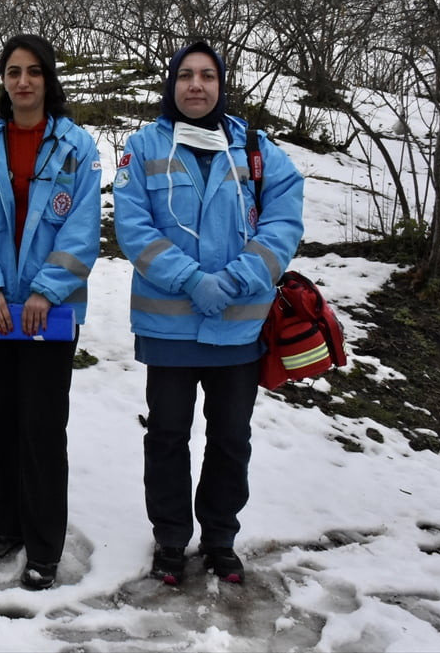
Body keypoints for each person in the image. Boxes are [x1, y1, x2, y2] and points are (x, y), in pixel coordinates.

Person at [112, 40, 304, 585]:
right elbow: (133, 227)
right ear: (171, 84)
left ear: (222, 85)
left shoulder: (257, 151)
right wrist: (192, 280)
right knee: (167, 436)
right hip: (168, 327)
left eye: (207, 76)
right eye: (186, 75)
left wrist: (238, 280)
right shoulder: (144, 147)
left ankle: (220, 536)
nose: (196, 85)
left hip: (239, 329)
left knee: (230, 438)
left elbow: (283, 224)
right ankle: (171, 537)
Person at [0, 34, 102, 590]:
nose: (23, 81)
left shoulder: (77, 147)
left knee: (41, 427)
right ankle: (6, 524)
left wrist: (46, 291)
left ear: (48, 79)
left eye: (34, 71)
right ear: (2, 81)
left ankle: (44, 544)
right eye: (13, 71)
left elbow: (83, 229)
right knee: (0, 422)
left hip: (48, 314)